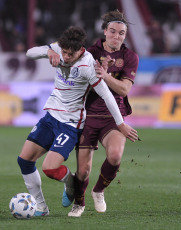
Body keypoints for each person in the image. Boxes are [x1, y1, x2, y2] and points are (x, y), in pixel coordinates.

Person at [17, 26, 138, 216]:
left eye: (69, 54)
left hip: (71, 124)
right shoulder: (58, 49)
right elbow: (30, 53)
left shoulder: (88, 65)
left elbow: (106, 95)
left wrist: (120, 123)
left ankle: (71, 182)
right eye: (63, 52)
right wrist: (48, 50)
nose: (65, 57)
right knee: (24, 161)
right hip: (51, 116)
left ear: (81, 50)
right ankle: (41, 207)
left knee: (49, 168)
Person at [68, 10, 140, 217]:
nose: (116, 37)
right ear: (104, 31)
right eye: (113, 31)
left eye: (121, 33)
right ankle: (79, 203)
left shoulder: (129, 57)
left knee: (115, 156)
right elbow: (79, 86)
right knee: (82, 171)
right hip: (88, 116)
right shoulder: (89, 53)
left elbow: (124, 90)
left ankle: (98, 191)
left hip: (113, 117)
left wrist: (105, 76)